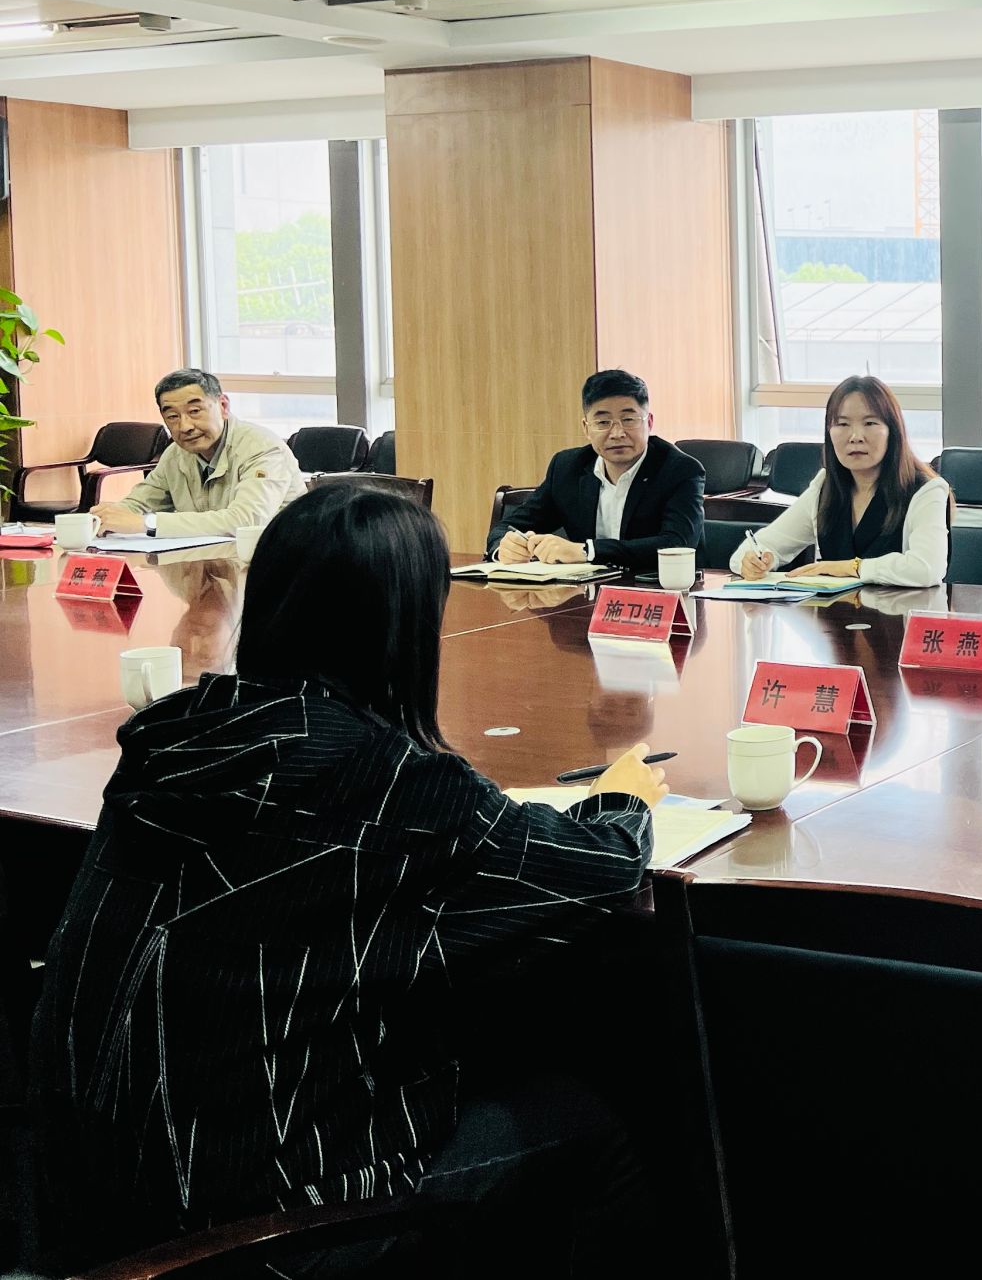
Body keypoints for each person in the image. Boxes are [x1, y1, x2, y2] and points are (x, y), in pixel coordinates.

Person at [31, 484, 668, 1275]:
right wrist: (621, 800)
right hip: (256, 1236)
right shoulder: (392, 780)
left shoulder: (177, 735)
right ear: (407, 626)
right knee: (600, 1124)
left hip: (89, 1207)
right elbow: (599, 874)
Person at [732, 374, 951, 587]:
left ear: (892, 431)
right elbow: (751, 550)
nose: (856, 436)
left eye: (870, 423)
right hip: (837, 612)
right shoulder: (826, 486)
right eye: (843, 424)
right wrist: (755, 562)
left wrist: (851, 568)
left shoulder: (926, 489)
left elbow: (927, 569)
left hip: (901, 611)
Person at [488, 369, 706, 573]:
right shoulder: (567, 467)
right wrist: (504, 547)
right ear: (586, 428)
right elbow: (508, 526)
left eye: (628, 420)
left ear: (648, 423)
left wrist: (587, 551)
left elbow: (676, 545)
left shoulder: (680, 470)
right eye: (603, 422)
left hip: (659, 591)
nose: (617, 433)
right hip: (586, 594)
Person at [90, 368, 305, 537]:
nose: (185, 426)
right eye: (172, 417)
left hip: (273, 563)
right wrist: (105, 518)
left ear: (223, 406)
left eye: (194, 411)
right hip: (207, 564)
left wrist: (148, 523)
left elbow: (246, 520)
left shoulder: (262, 448)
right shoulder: (175, 454)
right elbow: (138, 504)